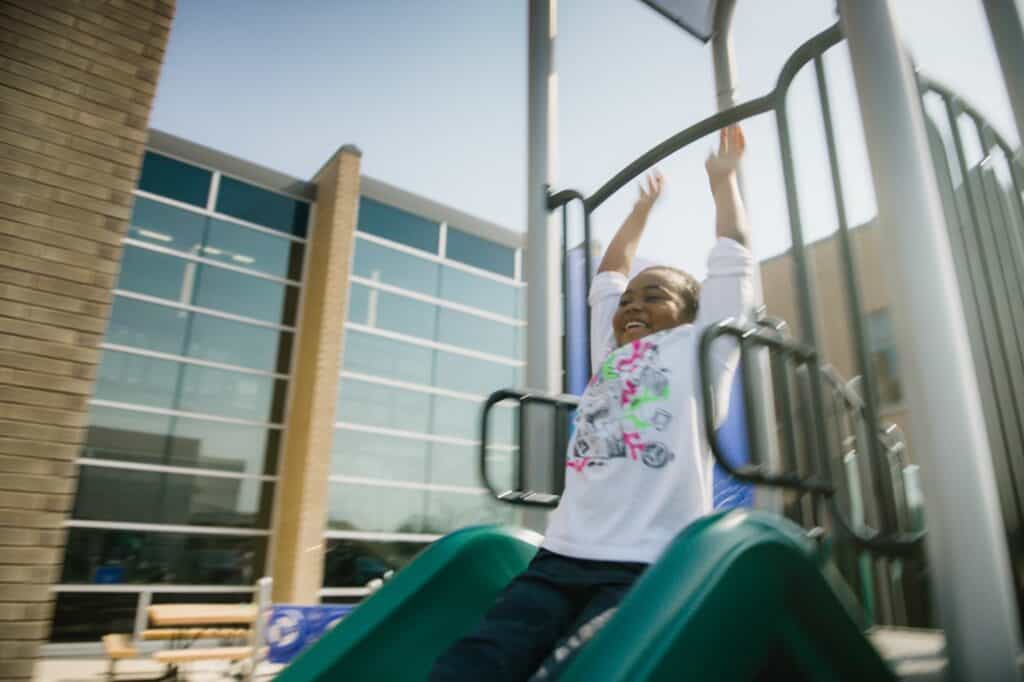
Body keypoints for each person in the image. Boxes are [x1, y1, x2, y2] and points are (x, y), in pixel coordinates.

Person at [429, 125, 754, 682]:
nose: (633, 305)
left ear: (690, 312)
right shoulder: (610, 352)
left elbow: (733, 258)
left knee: (579, 668)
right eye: (629, 300)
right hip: (562, 555)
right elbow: (609, 273)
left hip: (645, 562)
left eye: (654, 297)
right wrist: (640, 213)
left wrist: (722, 182)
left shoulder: (704, 347)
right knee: (477, 660)